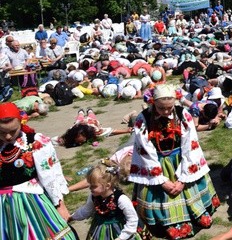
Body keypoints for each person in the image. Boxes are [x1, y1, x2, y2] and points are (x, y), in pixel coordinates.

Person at [129, 84, 219, 240]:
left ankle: (196, 213)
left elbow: (190, 146)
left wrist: (183, 179)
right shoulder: (143, 119)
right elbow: (145, 151)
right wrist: (161, 181)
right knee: (162, 193)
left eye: (169, 108)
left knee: (186, 187)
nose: (165, 112)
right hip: (155, 161)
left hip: (181, 160)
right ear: (152, 103)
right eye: (161, 108)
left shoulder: (183, 115)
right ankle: (168, 222)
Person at [0, 102, 77, 239]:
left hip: (31, 200)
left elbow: (49, 175)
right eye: (2, 132)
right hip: (3, 206)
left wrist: (60, 204)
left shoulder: (34, 142)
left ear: (21, 122)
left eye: (13, 131)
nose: (8, 136)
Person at [69, 160, 141, 240]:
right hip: (98, 231)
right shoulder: (93, 197)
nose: (90, 188)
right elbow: (86, 210)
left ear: (107, 186)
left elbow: (132, 219)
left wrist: (121, 238)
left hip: (119, 232)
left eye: (94, 186)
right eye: (90, 185)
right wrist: (72, 217)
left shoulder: (121, 199)